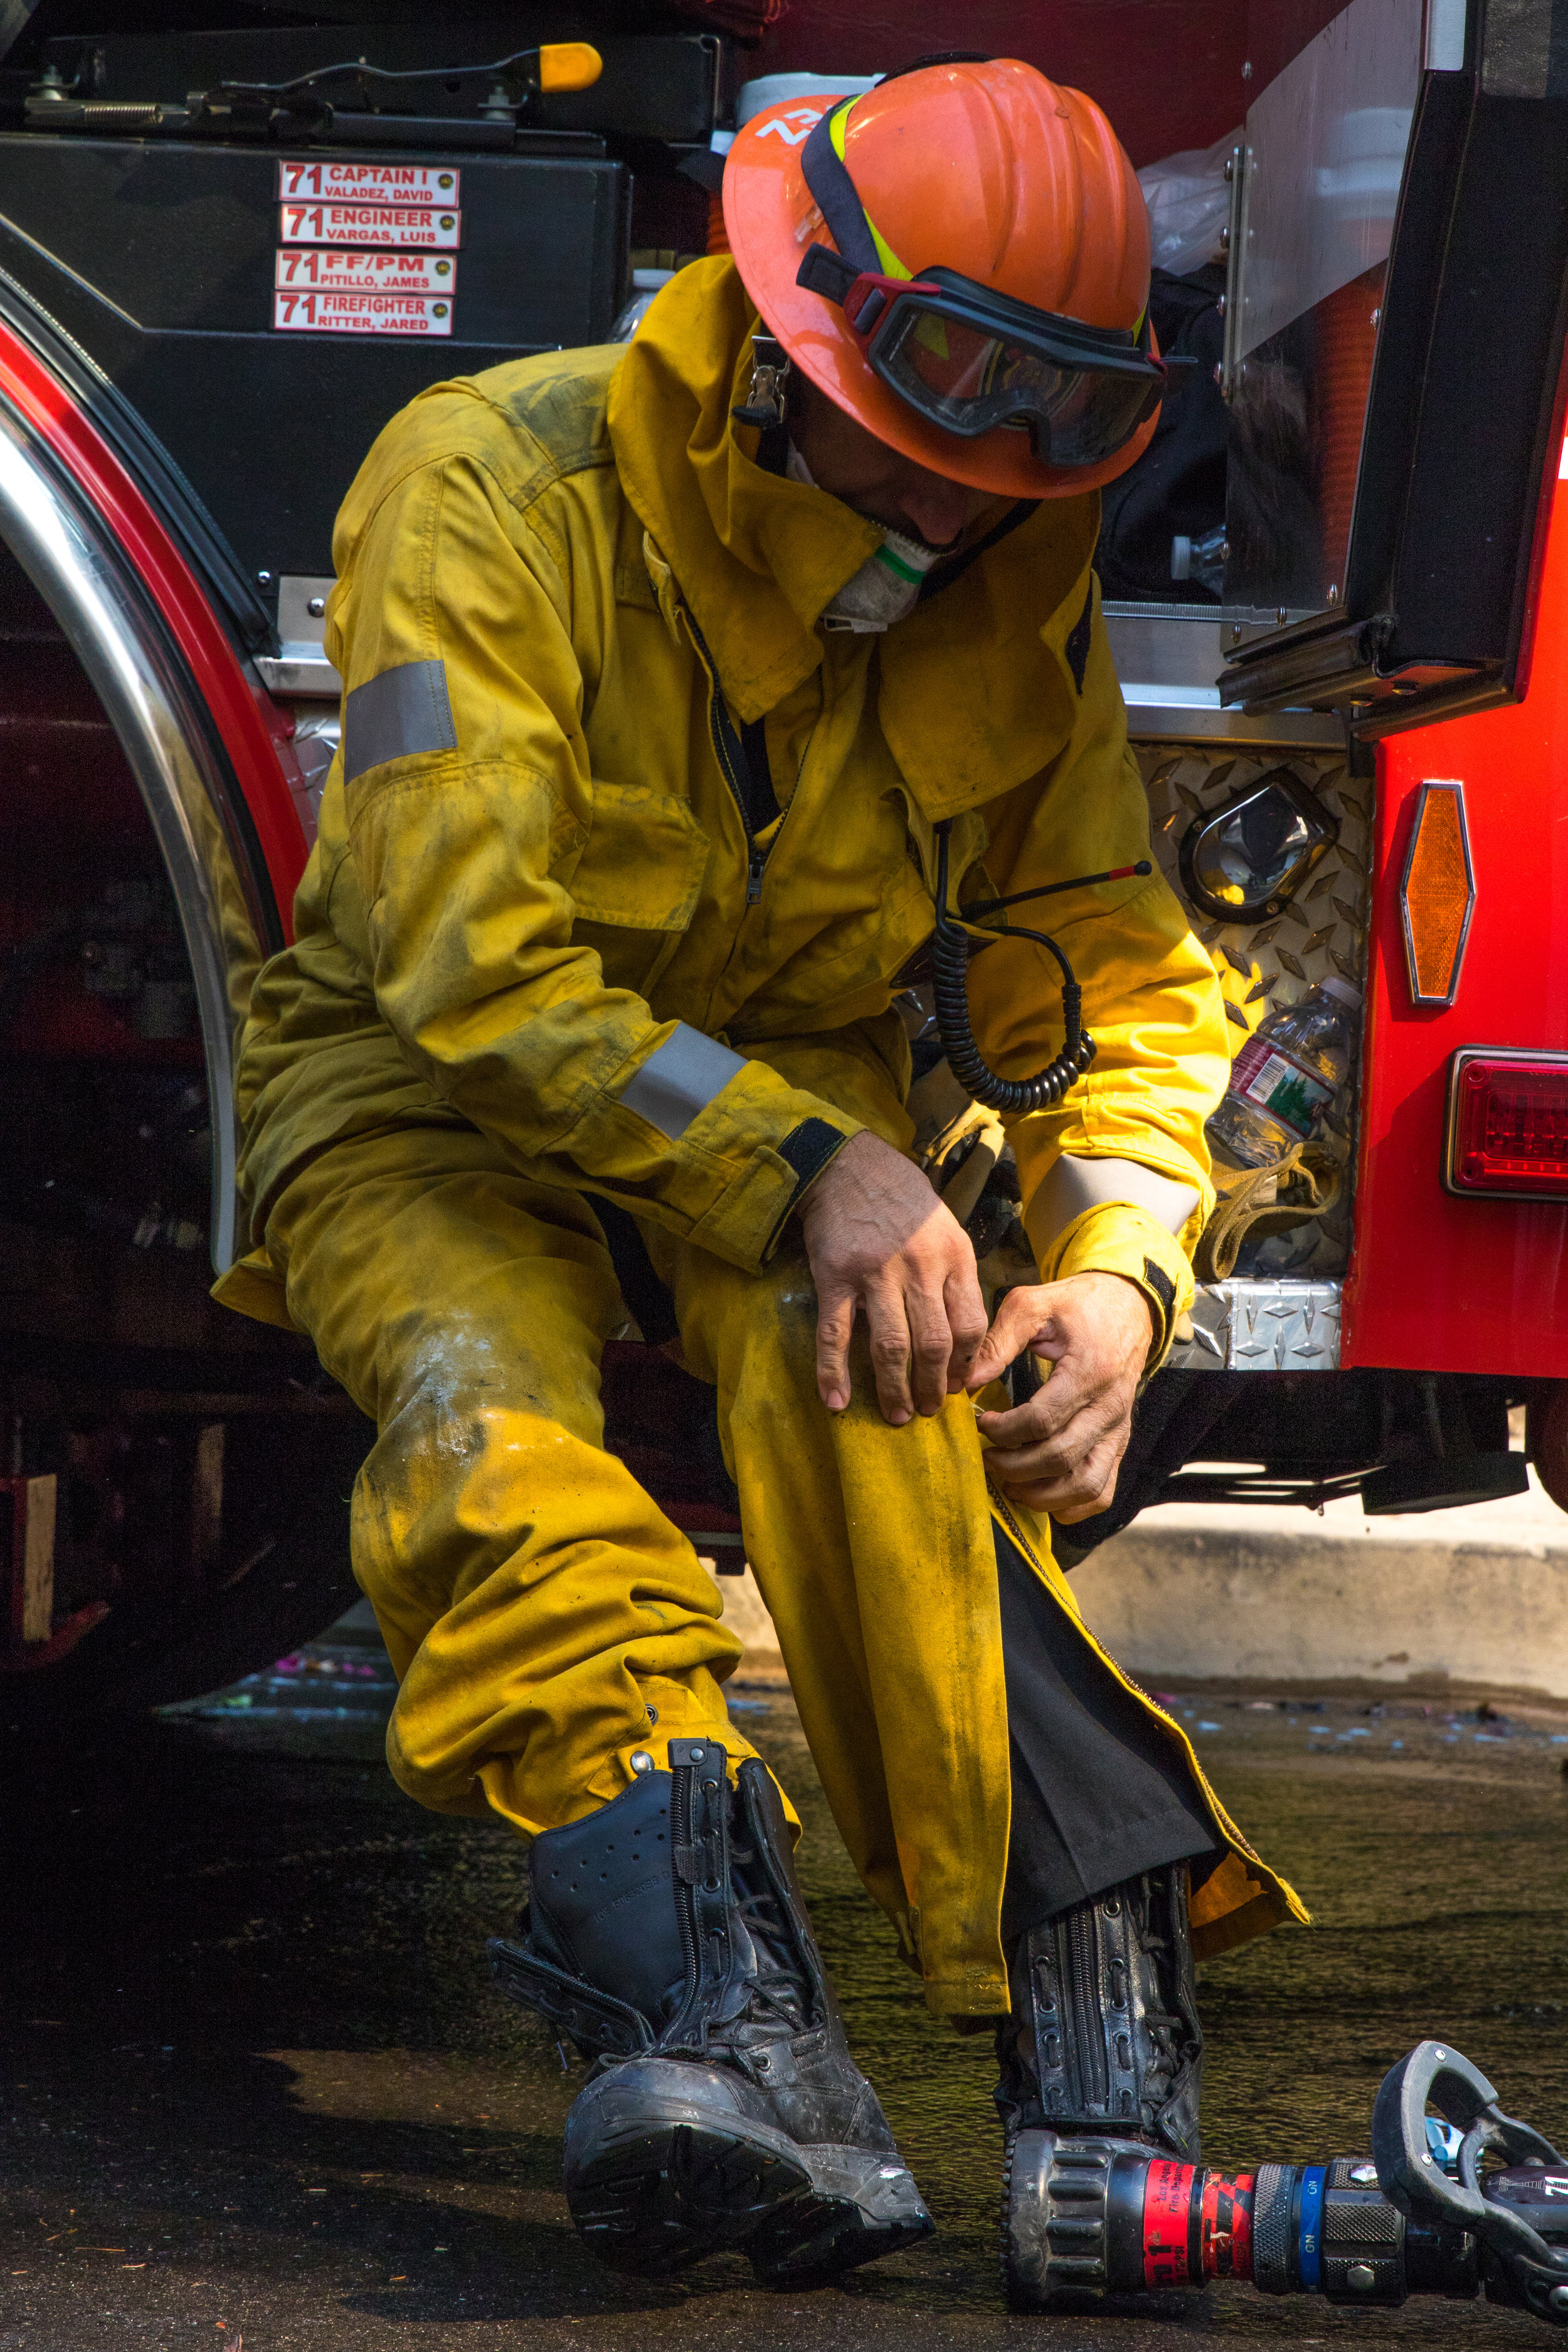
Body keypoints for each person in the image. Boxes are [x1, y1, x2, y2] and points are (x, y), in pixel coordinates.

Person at [216, 55, 1304, 2302]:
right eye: (929, 416)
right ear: (792, 321)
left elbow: (1114, 975)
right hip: (431, 1077)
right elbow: (464, 962)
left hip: (801, 1093)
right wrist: (809, 1164)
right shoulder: (490, 486)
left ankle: (1092, 2044)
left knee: (902, 1404)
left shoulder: (1019, 560)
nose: (960, 491)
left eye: (1026, 439)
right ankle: (715, 2045)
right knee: (485, 1435)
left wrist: (1114, 1277)